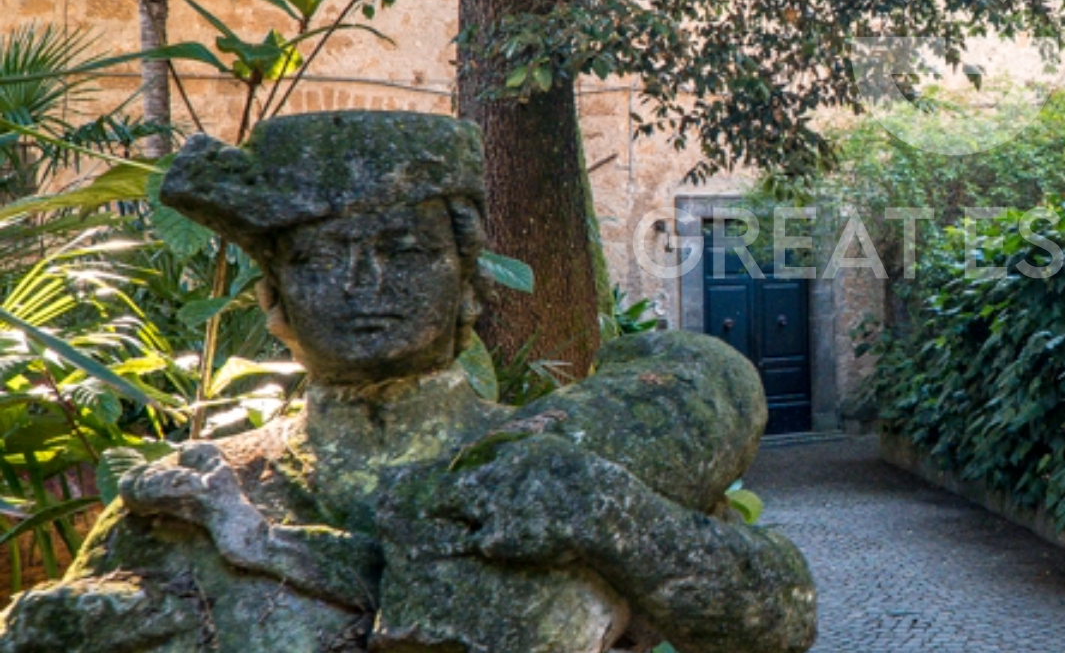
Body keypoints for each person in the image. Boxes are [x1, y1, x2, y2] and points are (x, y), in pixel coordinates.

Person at [0, 111, 815, 653]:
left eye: (406, 252)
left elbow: (780, 613)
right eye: (321, 258)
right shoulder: (183, 500)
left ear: (467, 280)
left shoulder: (565, 459)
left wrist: (616, 521)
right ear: (273, 294)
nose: (364, 286)